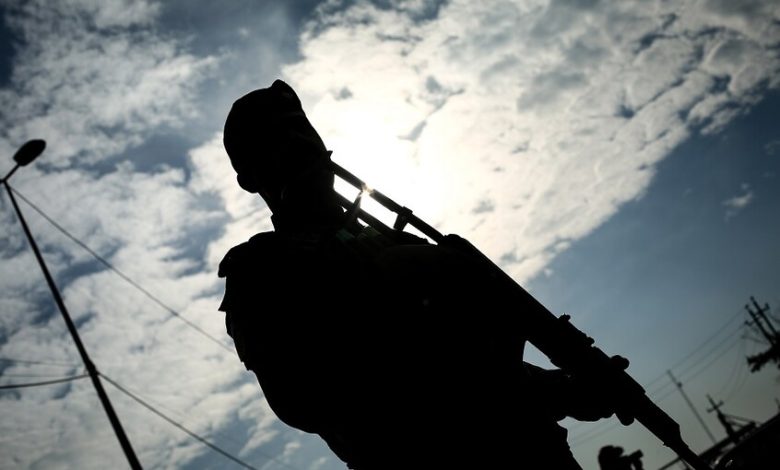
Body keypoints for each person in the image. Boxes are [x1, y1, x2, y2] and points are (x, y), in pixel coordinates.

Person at [218, 79, 621, 469]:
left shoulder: (395, 237)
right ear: (249, 178)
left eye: (300, 127)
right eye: (274, 138)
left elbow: (484, 362)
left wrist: (567, 390)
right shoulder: (258, 269)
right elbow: (304, 400)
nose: (298, 141)